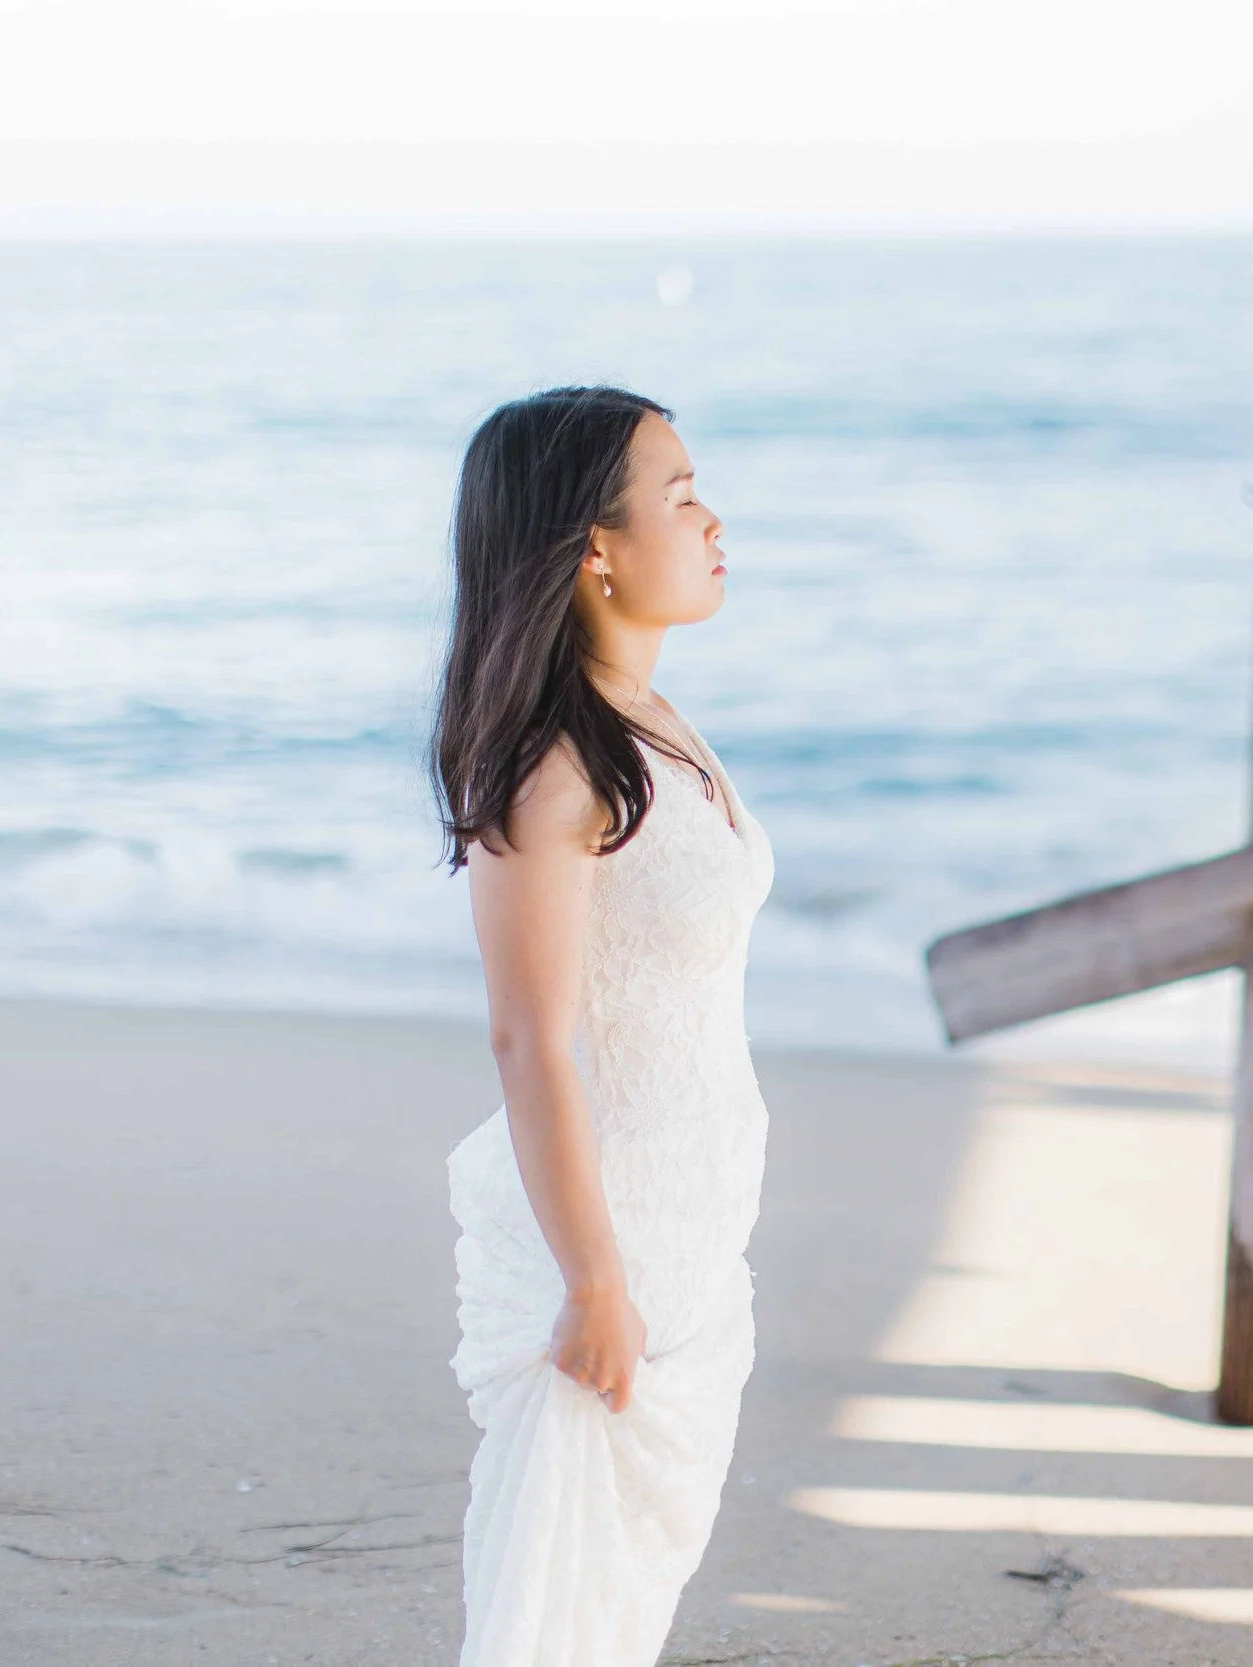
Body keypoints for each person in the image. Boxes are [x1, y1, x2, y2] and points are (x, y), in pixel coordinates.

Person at [431, 386, 772, 1664]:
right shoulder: (551, 764)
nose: (713, 517)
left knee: (625, 1602)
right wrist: (594, 1281)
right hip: (603, 1243)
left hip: (691, 1228)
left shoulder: (655, 727)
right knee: (551, 1611)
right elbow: (530, 1038)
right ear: (597, 547)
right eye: (680, 496)